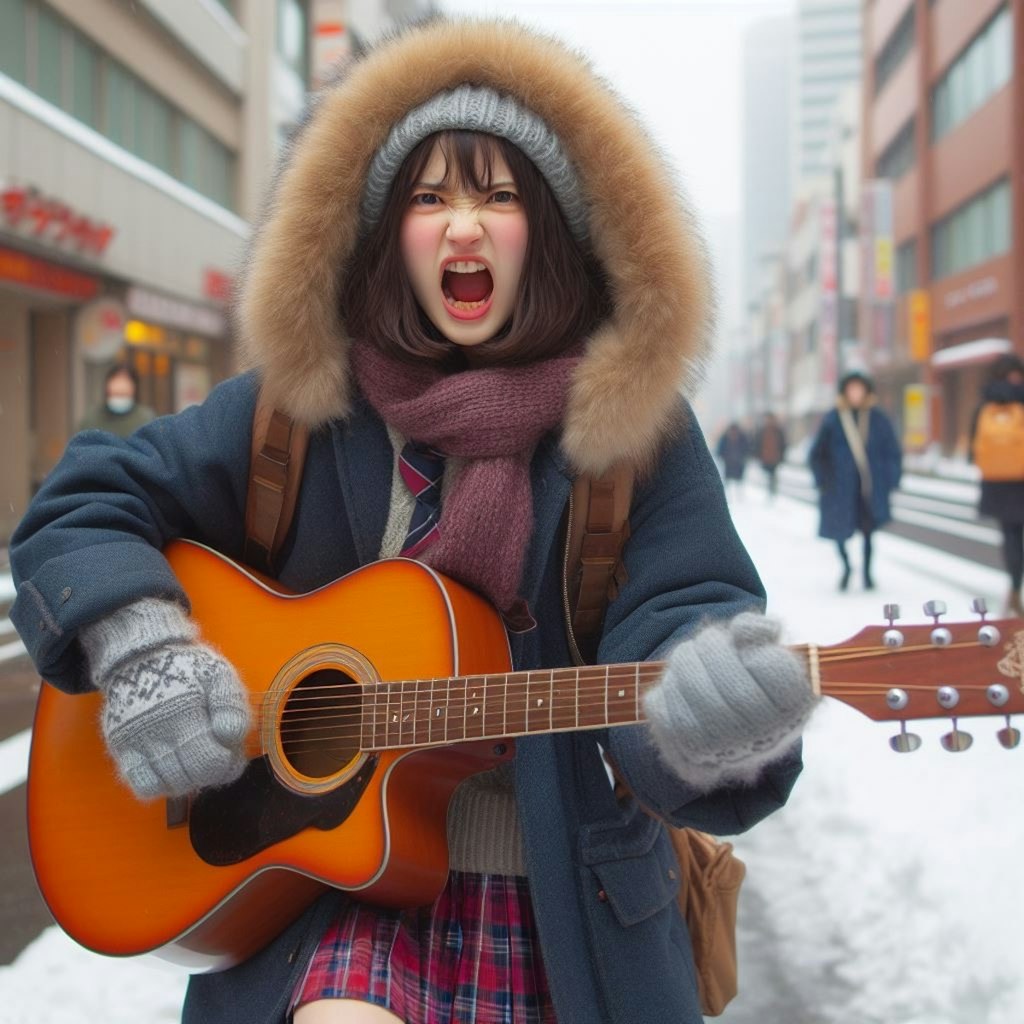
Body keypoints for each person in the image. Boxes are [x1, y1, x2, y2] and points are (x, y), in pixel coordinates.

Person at [9, 19, 815, 1024]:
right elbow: (85, 501)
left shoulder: (631, 433)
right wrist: (141, 646)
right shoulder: (295, 411)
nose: (462, 225)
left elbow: (684, 613)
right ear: (388, 233)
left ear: (549, 233)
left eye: (498, 195)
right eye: (428, 197)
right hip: (325, 898)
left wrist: (711, 711)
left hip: (558, 906)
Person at [808, 370, 902, 592]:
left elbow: (892, 452)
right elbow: (816, 455)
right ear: (845, 391)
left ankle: (868, 574)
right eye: (851, 389)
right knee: (839, 532)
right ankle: (847, 567)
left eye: (859, 388)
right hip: (839, 488)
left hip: (869, 487)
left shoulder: (878, 419)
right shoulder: (833, 419)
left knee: (869, 531)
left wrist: (891, 480)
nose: (856, 393)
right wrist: (823, 481)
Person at [970, 353, 1024, 615]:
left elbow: (973, 449)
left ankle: (1015, 586)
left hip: (998, 483)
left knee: (1011, 535)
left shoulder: (986, 404)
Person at [76, 363, 156, 437]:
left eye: (123, 394)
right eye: (115, 394)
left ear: (134, 390)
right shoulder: (91, 419)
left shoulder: (146, 419)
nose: (119, 398)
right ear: (107, 390)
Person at [754, 411, 787, 499]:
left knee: (773, 475)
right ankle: (768, 492)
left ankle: (772, 492)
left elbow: (783, 444)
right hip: (765, 458)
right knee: (767, 475)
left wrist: (782, 456)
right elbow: (757, 444)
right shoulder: (762, 431)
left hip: (775, 458)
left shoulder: (778, 431)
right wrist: (758, 455)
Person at [716, 421, 750, 500]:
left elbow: (747, 448)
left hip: (739, 463)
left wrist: (744, 457)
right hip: (729, 463)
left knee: (739, 481)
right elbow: (720, 449)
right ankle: (728, 496)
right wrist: (724, 457)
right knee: (728, 480)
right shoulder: (725, 437)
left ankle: (739, 496)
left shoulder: (742, 437)